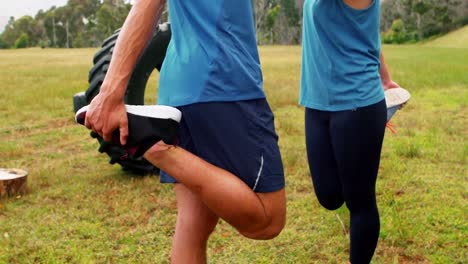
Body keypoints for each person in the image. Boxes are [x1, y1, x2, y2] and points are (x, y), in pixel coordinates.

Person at [83, 0, 286, 263]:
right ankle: (153, 146)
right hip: (223, 81)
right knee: (267, 220)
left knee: (194, 224)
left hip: (182, 85)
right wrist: (110, 92)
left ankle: (154, 144)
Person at [300, 0, 399, 263]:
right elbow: (365, 30)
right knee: (329, 196)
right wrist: (386, 78)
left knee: (360, 200)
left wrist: (382, 82)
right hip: (317, 101)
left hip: (357, 104)